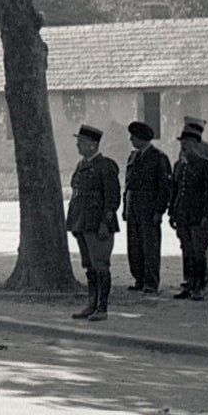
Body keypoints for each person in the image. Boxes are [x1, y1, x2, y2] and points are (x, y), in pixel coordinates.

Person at [67, 123, 120, 322]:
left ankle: (102, 308)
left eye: (81, 142)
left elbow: (112, 199)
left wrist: (105, 223)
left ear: (92, 145)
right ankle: (91, 304)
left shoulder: (105, 166)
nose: (78, 146)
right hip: (81, 222)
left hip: (98, 225)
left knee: (101, 265)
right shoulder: (81, 165)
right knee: (89, 266)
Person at [168, 125, 208, 299]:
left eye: (188, 144)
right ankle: (189, 284)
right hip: (183, 215)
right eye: (182, 144)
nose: (184, 147)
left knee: (198, 252)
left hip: (199, 217)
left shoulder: (206, 166)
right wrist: (172, 213)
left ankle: (200, 286)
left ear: (197, 145)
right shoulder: (180, 166)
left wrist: (207, 215)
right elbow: (176, 192)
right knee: (187, 251)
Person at [122, 120, 171, 293]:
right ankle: (139, 279)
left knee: (150, 245)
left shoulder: (159, 157)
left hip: (149, 205)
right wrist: (125, 207)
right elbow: (128, 183)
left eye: (134, 137)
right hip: (133, 204)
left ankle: (151, 282)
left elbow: (164, 187)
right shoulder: (133, 157)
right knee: (134, 245)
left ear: (143, 138)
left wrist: (159, 210)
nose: (131, 140)